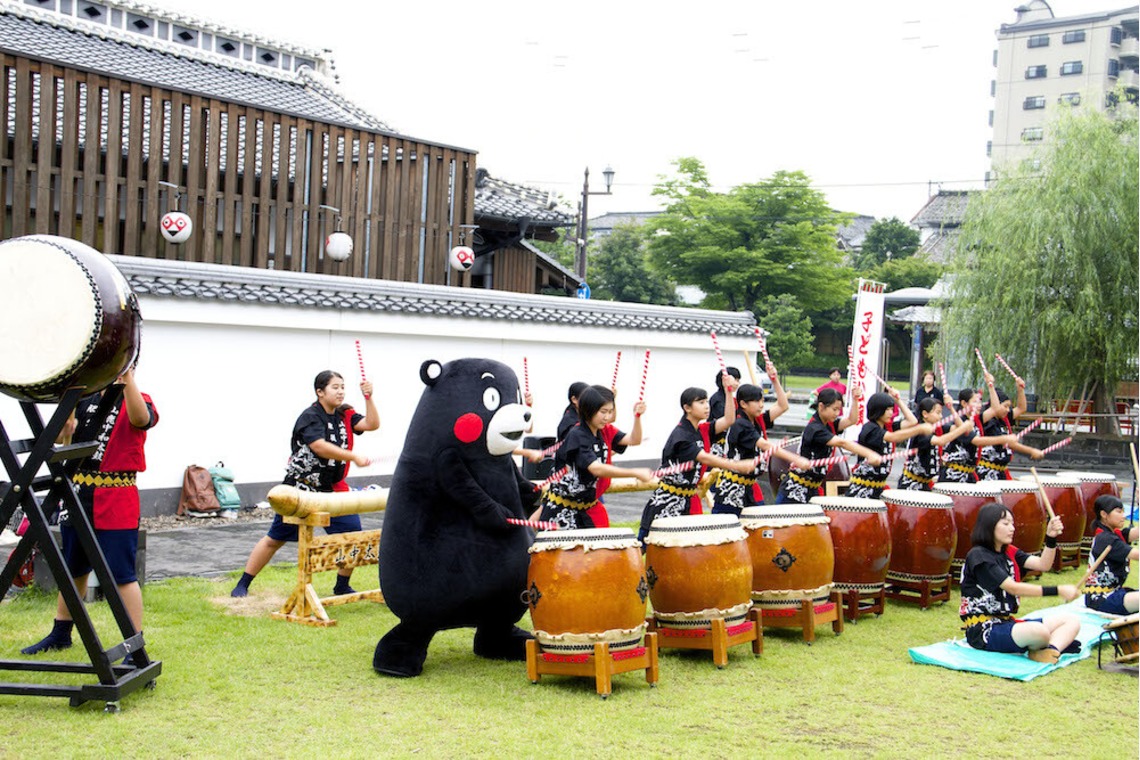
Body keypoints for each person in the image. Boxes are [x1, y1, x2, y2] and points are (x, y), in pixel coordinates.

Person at [22, 367, 158, 659]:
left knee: (121, 573)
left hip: (117, 494)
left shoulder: (139, 398)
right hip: (79, 490)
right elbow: (62, 439)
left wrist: (128, 379)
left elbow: (141, 419)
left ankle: (135, 647)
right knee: (74, 567)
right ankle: (61, 632)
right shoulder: (83, 400)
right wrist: (65, 428)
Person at [231, 371, 378, 598]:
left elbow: (372, 424)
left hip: (334, 489)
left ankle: (341, 585)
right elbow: (319, 446)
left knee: (352, 536)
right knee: (275, 539)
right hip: (302, 489)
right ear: (320, 392)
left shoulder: (345, 414)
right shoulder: (310, 416)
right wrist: (353, 456)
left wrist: (369, 397)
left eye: (342, 387)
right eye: (334, 387)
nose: (340, 391)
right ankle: (243, 583)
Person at [958, 502, 1081, 664]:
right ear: (989, 526)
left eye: (1012, 523)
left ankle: (1050, 650)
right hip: (983, 630)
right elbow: (1013, 588)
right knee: (1039, 631)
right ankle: (1044, 644)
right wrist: (1057, 590)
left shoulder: (1009, 551)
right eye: (1006, 523)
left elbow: (1043, 564)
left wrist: (1050, 538)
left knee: (1071, 620)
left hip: (1006, 622)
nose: (1012, 528)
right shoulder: (979, 556)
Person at [538, 385, 654, 530]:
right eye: (603, 412)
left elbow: (634, 440)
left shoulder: (605, 431)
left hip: (589, 506)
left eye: (610, 412)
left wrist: (637, 417)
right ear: (589, 410)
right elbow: (596, 468)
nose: (607, 417)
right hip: (563, 510)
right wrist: (634, 472)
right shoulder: (577, 434)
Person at [712, 382, 809, 517]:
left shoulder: (757, 420)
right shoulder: (740, 424)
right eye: (756, 401)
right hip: (732, 488)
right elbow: (765, 445)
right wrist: (796, 459)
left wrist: (774, 380)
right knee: (726, 529)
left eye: (762, 400)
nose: (761, 405)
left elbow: (783, 406)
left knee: (758, 525)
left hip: (748, 486)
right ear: (743, 404)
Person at [774, 386, 880, 504]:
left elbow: (851, 420)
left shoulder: (828, 424)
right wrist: (869, 454)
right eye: (834, 409)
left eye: (839, 409)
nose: (837, 413)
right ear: (821, 406)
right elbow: (842, 442)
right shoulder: (815, 428)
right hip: (794, 489)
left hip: (812, 488)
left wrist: (855, 400)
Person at [844, 388, 928, 500]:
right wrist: (919, 430)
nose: (891, 413)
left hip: (879, 487)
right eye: (887, 409)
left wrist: (898, 400)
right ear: (878, 410)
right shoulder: (870, 428)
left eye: (892, 409)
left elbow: (912, 421)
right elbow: (893, 437)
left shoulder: (888, 427)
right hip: (862, 488)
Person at [939, 382, 1021, 484]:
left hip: (970, 474)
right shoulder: (956, 423)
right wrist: (951, 408)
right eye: (975, 402)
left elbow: (995, 408)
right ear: (964, 403)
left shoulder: (977, 420)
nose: (979, 406)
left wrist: (991, 386)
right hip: (953, 475)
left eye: (980, 402)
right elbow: (974, 439)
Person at [896, 398, 975, 491]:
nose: (941, 416)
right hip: (911, 484)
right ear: (925, 414)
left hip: (925, 483)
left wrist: (951, 408)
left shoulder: (937, 428)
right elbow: (941, 441)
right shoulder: (920, 431)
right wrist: (963, 428)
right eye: (938, 413)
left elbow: (961, 429)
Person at [977, 377, 1043, 480]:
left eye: (1009, 407)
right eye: (1005, 406)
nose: (1008, 410)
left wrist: (1020, 390)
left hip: (1001, 470)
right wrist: (1031, 450)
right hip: (987, 472)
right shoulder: (988, 422)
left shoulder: (1004, 418)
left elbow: (1021, 408)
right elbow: (1008, 443)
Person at [1083, 495, 1139, 615]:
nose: (1123, 516)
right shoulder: (1105, 539)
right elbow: (1136, 554)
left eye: (1123, 512)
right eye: (1119, 512)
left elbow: (1135, 533)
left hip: (1115, 592)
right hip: (1101, 598)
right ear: (1104, 514)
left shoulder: (1114, 534)